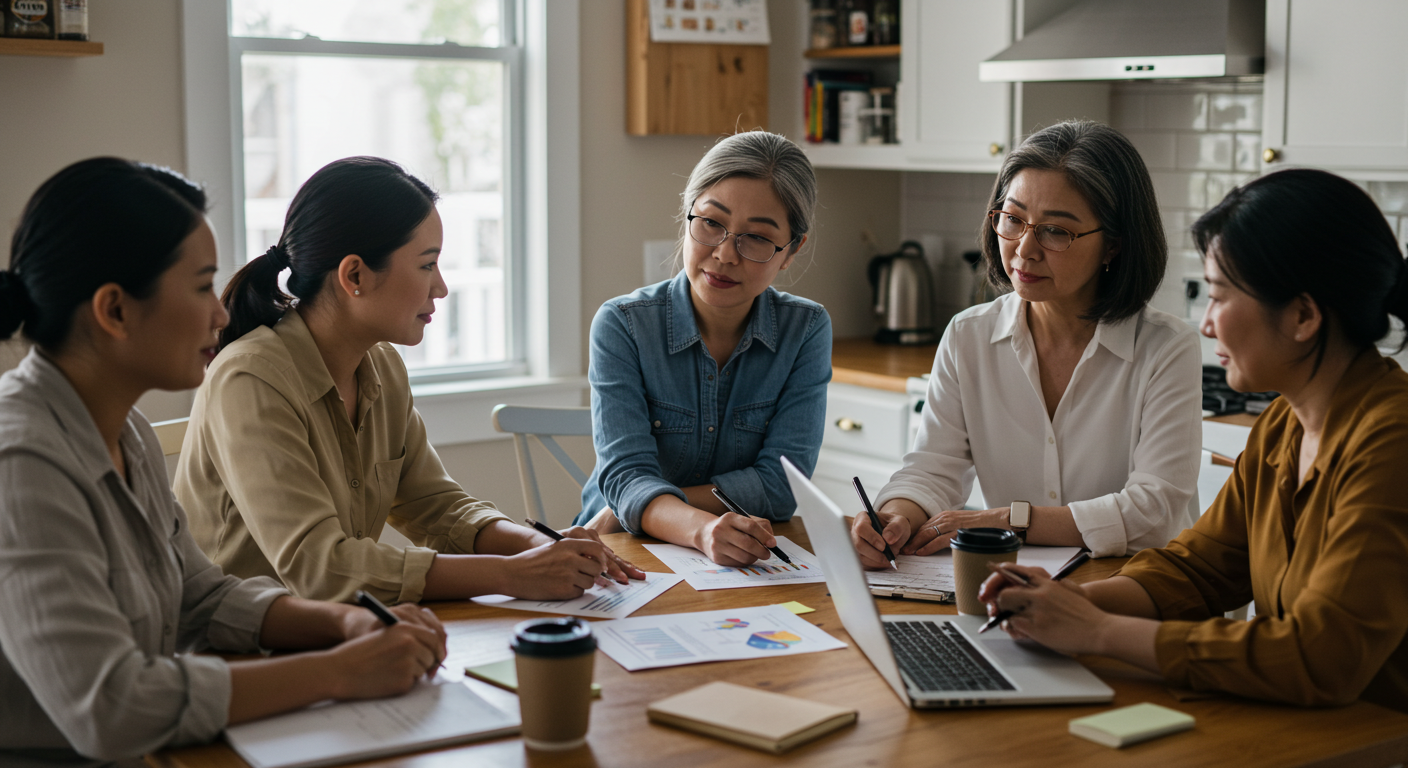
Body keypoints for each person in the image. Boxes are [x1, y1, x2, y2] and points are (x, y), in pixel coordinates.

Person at [0, 158, 449, 767]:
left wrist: (342, 626)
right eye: (200, 286)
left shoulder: (126, 431)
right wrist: (340, 671)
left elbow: (201, 596)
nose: (220, 313)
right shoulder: (20, 462)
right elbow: (112, 707)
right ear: (115, 310)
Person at [981, 168, 1408, 711]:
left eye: (1219, 296)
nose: (1206, 325)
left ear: (1303, 315)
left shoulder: (1392, 443)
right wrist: (1064, 602)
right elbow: (1200, 569)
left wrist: (1098, 631)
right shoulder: (1285, 425)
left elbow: (1322, 657)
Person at [175, 157, 641, 605]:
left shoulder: (381, 366)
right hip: (241, 646)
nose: (441, 287)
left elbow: (436, 508)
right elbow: (321, 568)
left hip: (340, 630)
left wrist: (538, 546)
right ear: (354, 275)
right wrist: (512, 574)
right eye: (427, 264)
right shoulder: (251, 378)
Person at [852, 120, 1202, 564]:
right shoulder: (968, 335)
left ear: (1113, 246)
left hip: (1137, 584)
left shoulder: (1167, 348)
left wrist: (1006, 520)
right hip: (1021, 585)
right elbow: (932, 469)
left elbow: (1153, 511)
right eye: (1013, 220)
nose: (1024, 249)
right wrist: (895, 516)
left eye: (1056, 231)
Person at [573, 131, 832, 567]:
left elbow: (781, 488)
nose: (726, 254)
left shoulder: (805, 330)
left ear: (791, 251)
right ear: (687, 213)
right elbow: (625, 478)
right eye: (711, 223)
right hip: (619, 551)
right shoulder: (623, 324)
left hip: (732, 553)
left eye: (757, 237)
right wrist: (700, 527)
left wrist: (647, 505)